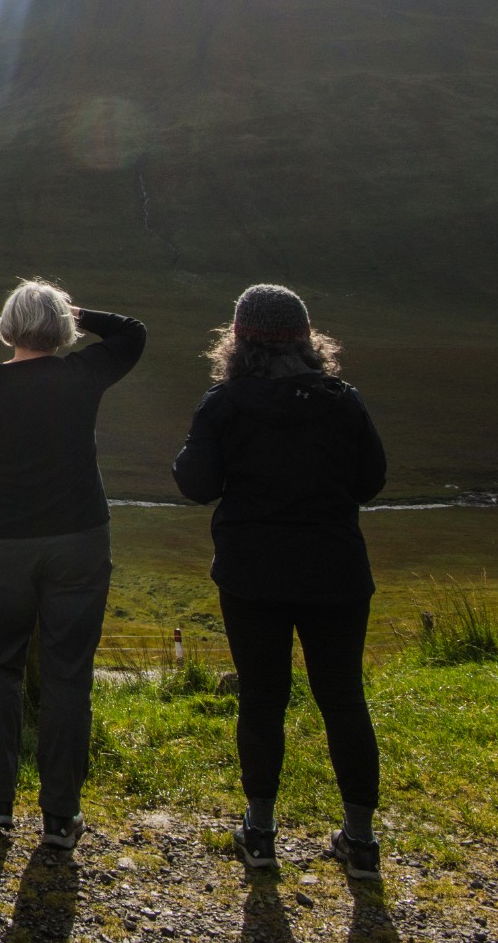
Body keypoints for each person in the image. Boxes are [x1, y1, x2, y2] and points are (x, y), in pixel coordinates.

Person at [172, 283, 388, 881]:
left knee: (263, 698)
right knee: (343, 697)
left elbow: (195, 484)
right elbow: (371, 482)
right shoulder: (343, 402)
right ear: (306, 339)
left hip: (252, 574)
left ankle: (261, 832)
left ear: (239, 340)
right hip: (336, 571)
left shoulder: (224, 404)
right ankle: (362, 842)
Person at [0, 278, 146, 850]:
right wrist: (75, 312)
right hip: (81, 538)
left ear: (8, 326)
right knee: (68, 674)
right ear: (64, 328)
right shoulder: (82, 373)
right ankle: (61, 816)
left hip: (4, 540)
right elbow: (133, 333)